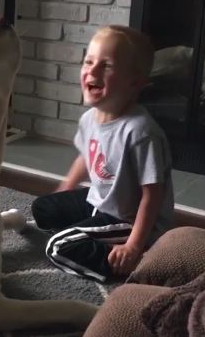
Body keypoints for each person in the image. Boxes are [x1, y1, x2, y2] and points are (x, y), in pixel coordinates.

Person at [31, 25, 174, 282]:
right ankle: (94, 239)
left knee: (57, 247)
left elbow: (153, 196)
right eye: (89, 61)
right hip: (100, 201)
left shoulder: (140, 132)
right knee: (42, 209)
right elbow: (86, 158)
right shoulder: (90, 119)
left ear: (135, 82)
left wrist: (133, 245)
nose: (92, 71)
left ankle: (132, 266)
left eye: (106, 66)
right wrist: (65, 189)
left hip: (128, 219)